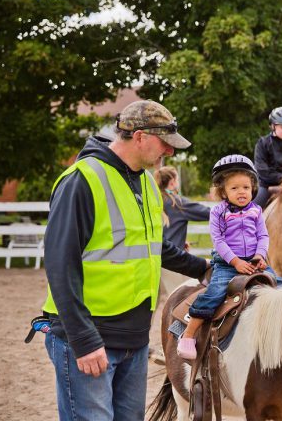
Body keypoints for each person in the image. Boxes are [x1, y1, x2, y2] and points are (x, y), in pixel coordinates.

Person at [42, 100, 211, 421]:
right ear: (140, 136)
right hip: (90, 338)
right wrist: (82, 339)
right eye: (165, 143)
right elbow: (60, 265)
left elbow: (153, 247)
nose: (170, 153)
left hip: (134, 338)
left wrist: (202, 267)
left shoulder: (146, 182)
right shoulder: (82, 180)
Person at [177, 154, 282, 360]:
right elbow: (218, 240)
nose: (241, 192)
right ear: (223, 191)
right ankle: (188, 334)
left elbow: (262, 235)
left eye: (245, 187)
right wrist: (236, 262)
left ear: (252, 188)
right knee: (215, 294)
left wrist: (260, 255)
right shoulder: (218, 212)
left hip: (254, 262)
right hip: (228, 264)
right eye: (234, 188)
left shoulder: (256, 210)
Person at [154, 165, 211, 251]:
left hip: (156, 255)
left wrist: (179, 241)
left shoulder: (154, 200)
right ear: (172, 182)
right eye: (177, 180)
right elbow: (209, 213)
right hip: (173, 257)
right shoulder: (177, 203)